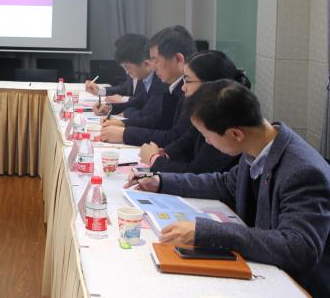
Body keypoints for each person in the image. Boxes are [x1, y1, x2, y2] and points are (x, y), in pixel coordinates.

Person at [126, 80, 330, 296]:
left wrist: (206, 232)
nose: (207, 142)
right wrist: (161, 181)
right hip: (262, 270)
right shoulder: (257, 147)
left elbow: (299, 248)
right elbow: (224, 183)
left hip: (294, 286)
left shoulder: (303, 170)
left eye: (207, 135)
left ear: (235, 134)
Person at [139, 50, 244, 174]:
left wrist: (154, 159)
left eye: (188, 81)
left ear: (211, 84)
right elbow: (187, 140)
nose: (183, 88)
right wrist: (164, 153)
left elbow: (197, 174)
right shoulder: (207, 112)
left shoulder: (227, 121)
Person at [101, 25, 196, 146]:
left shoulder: (193, 91)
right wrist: (124, 125)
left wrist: (125, 134)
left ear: (178, 59)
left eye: (156, 60)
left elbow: (174, 138)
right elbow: (160, 120)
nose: (153, 67)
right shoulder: (175, 84)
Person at [87, 33, 165, 118]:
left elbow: (149, 115)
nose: (127, 72)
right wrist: (110, 108)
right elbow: (138, 102)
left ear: (146, 64)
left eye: (127, 67)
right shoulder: (145, 77)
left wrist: (125, 115)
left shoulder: (160, 80)